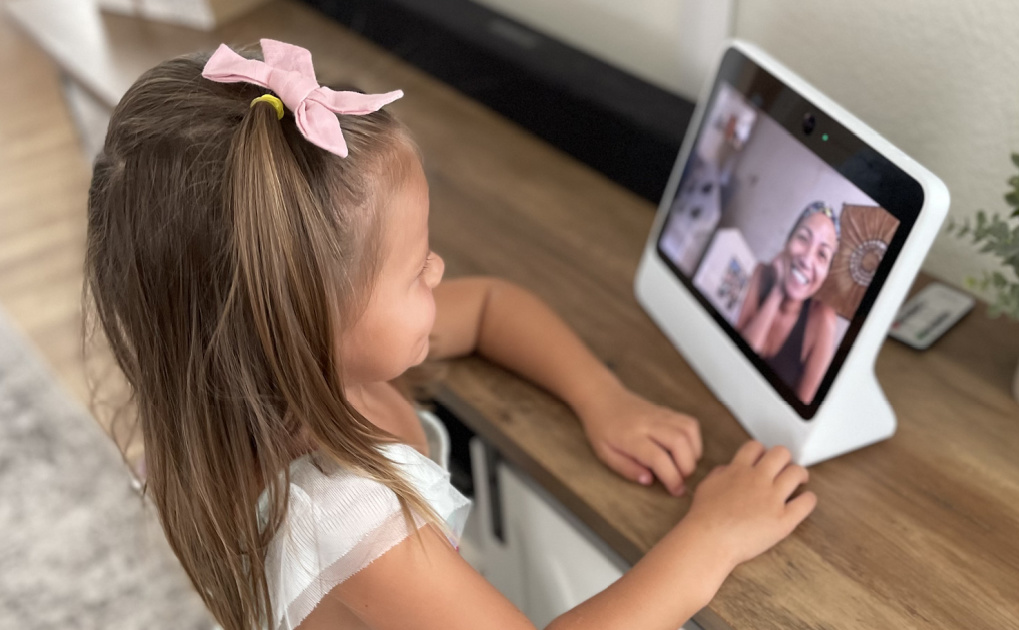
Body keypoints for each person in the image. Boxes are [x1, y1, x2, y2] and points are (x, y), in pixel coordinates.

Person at [84, 40, 817, 630]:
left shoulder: (286, 377)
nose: (438, 270)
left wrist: (604, 397)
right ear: (299, 325)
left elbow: (493, 306)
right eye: (413, 272)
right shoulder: (340, 512)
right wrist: (710, 539)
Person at [737, 201, 841, 404]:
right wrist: (778, 291)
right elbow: (737, 363)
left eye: (822, 254)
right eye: (803, 238)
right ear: (787, 242)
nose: (807, 259)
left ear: (826, 273)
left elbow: (800, 411)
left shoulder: (823, 321)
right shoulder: (760, 274)